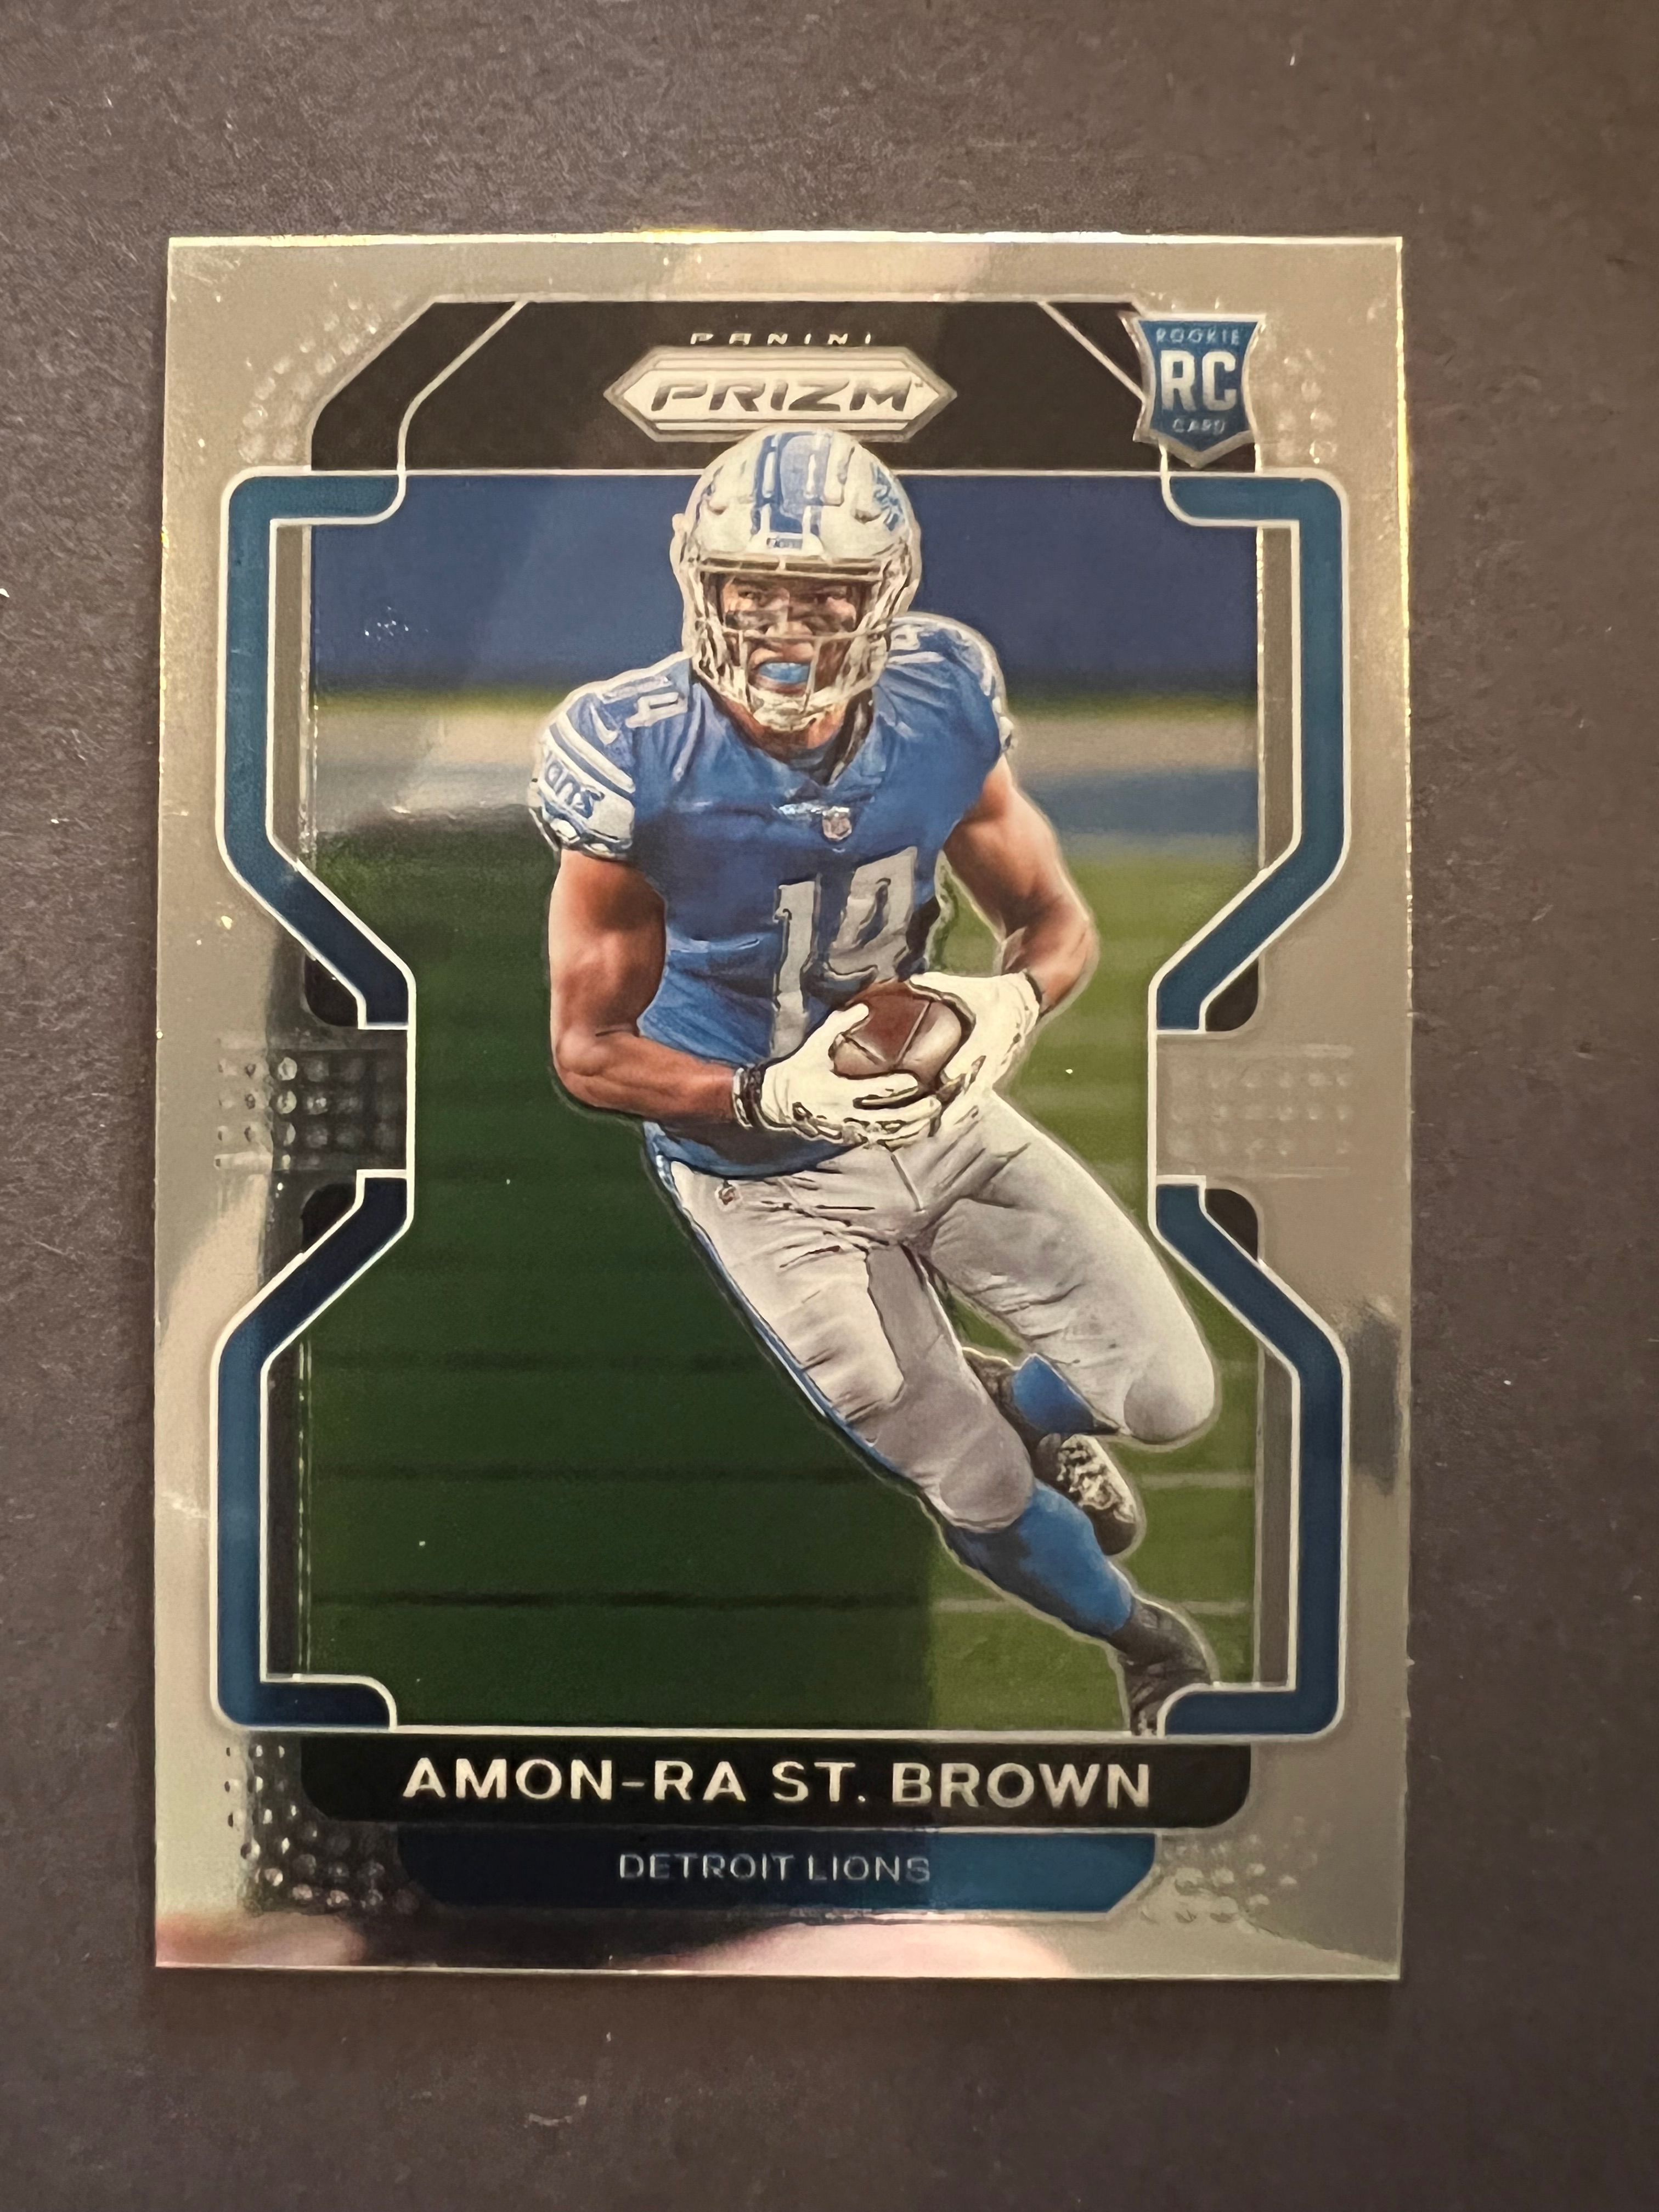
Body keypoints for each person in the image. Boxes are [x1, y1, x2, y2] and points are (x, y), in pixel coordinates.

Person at [533, 426, 1218, 1732]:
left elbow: (1051, 920)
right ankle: (1147, 1642)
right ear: (701, 585)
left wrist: (1013, 1001)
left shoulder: (942, 695)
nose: (783, 628)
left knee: (1166, 1396)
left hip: (931, 1117)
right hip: (757, 1175)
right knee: (972, 1480)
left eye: (824, 596)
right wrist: (767, 1098)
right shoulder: (633, 748)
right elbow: (588, 1050)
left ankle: (1026, 1404)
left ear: (884, 597)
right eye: (752, 590)